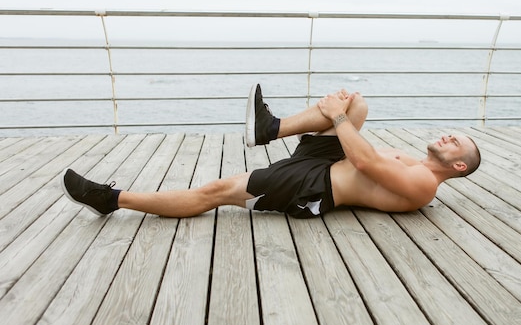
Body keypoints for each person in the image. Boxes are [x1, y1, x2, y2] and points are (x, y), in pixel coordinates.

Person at [61, 84, 481, 219]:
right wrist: (345, 115)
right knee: (359, 103)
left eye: (455, 143)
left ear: (458, 165)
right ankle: (270, 129)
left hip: (313, 185)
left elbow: (365, 161)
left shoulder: (423, 184)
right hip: (326, 163)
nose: (448, 137)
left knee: (218, 191)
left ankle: (111, 199)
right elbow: (362, 152)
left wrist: (336, 119)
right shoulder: (415, 161)